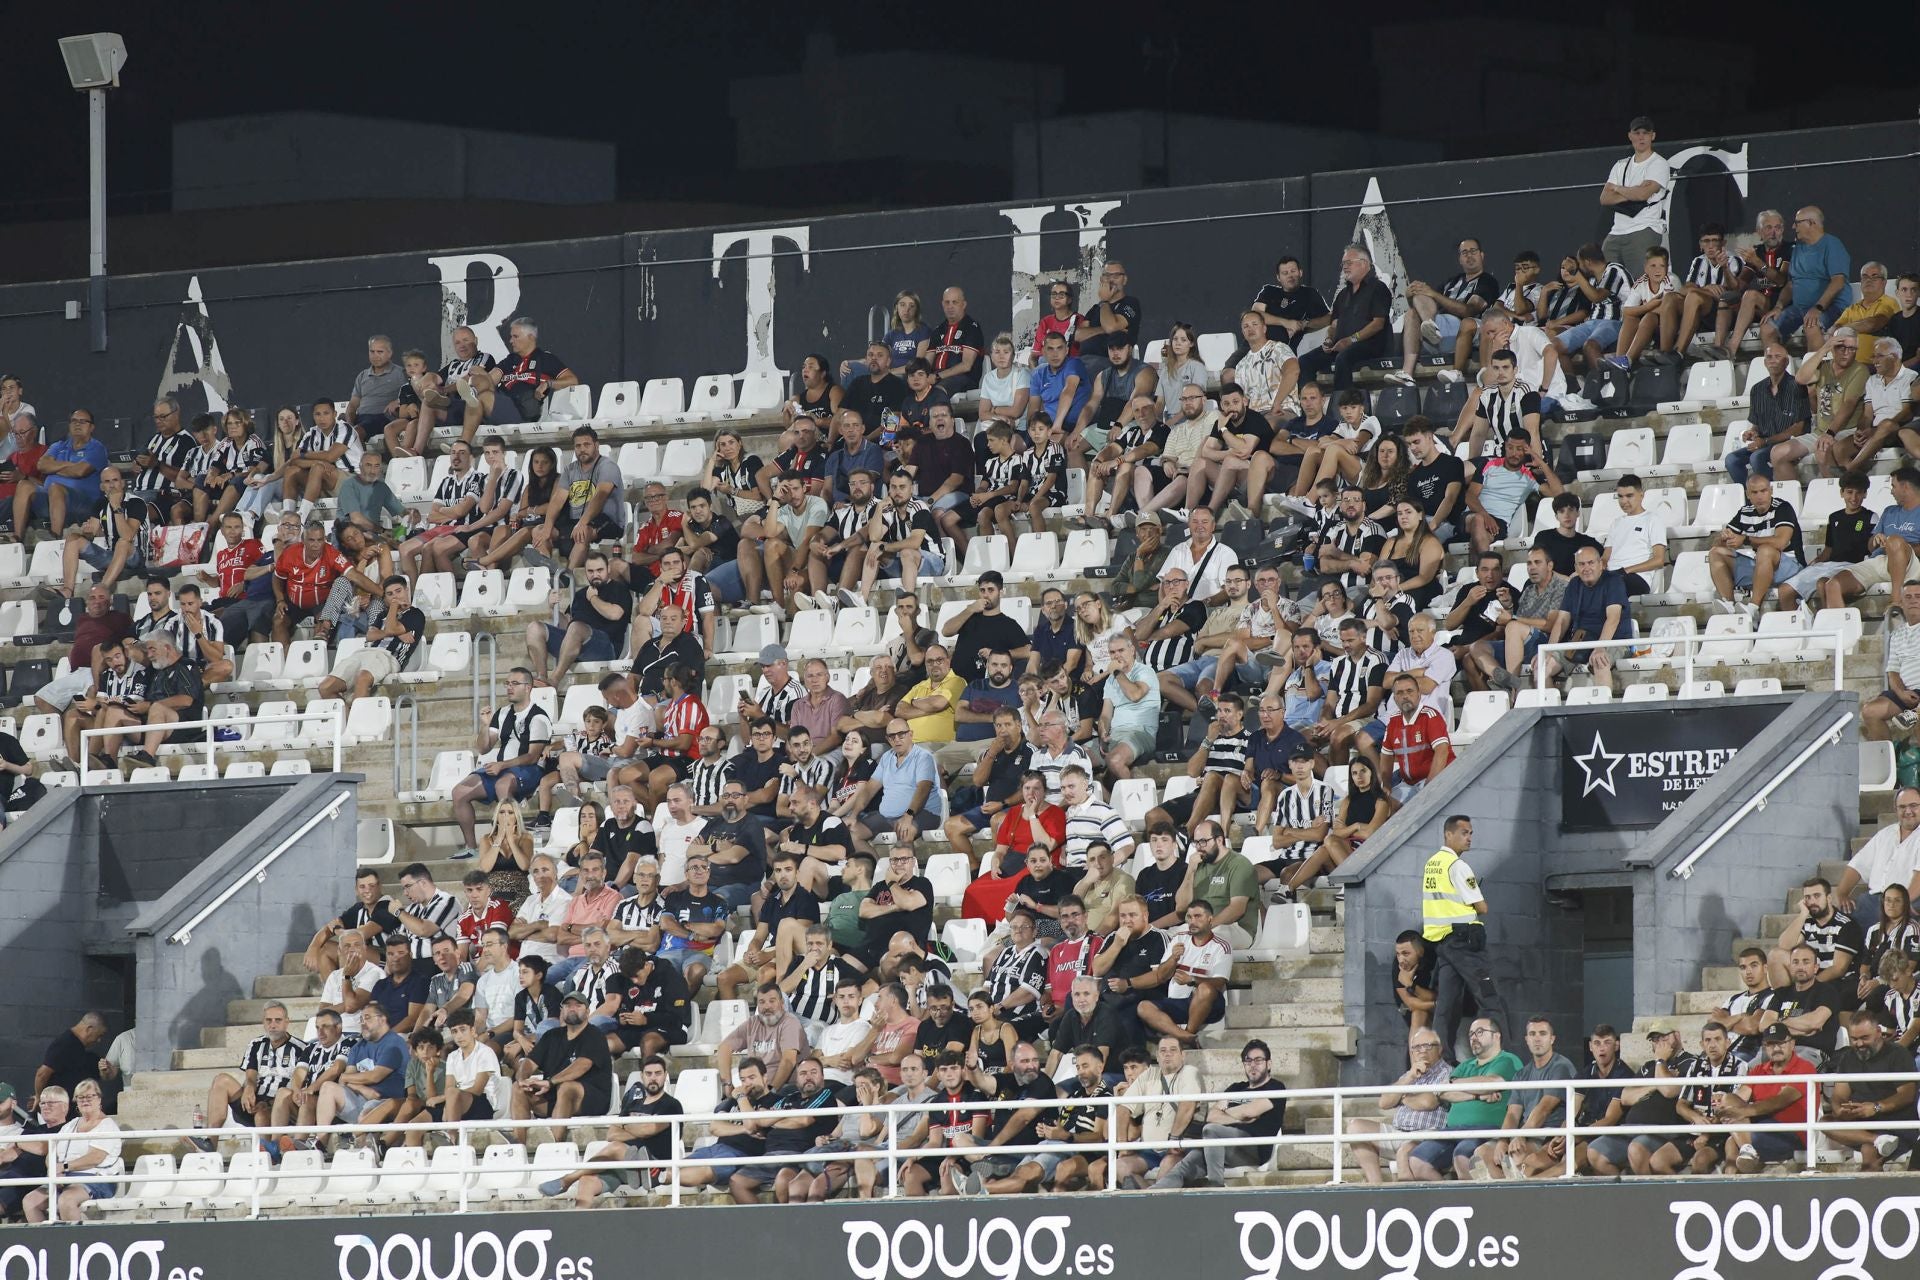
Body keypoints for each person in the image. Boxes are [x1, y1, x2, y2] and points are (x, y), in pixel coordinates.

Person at [1423, 815, 1509, 1059]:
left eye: (1471, 833)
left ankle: (1441, 1061)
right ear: (1448, 835)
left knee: (1445, 1008)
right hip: (1466, 943)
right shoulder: (1458, 866)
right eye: (1464, 833)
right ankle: (1504, 1058)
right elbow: (1482, 908)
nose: (1469, 838)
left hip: (1445, 944)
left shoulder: (1432, 863)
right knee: (1491, 999)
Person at [450, 668, 552, 859]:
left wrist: (502, 765)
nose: (509, 688)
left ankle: (510, 845)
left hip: (529, 770)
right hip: (503, 769)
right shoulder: (503, 713)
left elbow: (532, 756)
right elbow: (484, 748)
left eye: (515, 684)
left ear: (528, 688)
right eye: (507, 683)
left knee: (502, 784)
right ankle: (471, 848)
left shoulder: (538, 717)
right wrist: (485, 725)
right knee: (459, 792)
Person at [1157, 1038, 1284, 1188]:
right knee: (1184, 1165)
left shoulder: (1275, 1087)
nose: (1252, 1065)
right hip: (1223, 1146)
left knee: (1211, 1130)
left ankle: (1216, 1186)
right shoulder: (1236, 1088)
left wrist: (1228, 1113)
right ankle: (1149, 1195)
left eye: (1258, 1060)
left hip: (1252, 1149)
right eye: (1248, 1061)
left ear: (1268, 1064)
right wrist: (1241, 1119)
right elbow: (1212, 1116)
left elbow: (1250, 1110)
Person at [1390, 238, 1498, 384]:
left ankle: (1429, 325)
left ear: (1482, 255)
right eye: (1464, 252)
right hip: (1437, 336)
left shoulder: (1487, 281)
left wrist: (1433, 294)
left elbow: (1469, 311)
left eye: (1473, 251)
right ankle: (1407, 373)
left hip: (1463, 333)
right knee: (1412, 312)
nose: (1469, 255)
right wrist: (1411, 296)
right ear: (1460, 259)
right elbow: (1426, 305)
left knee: (1428, 296)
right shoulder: (1451, 282)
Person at [1823, 1007, 1919, 1170]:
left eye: (1864, 1038)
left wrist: (1876, 1108)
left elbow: (1907, 1095)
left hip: (1895, 1122)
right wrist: (1840, 1109)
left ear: (1878, 1032)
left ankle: (1870, 1193)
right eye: (1854, 1039)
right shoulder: (1848, 1057)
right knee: (1825, 1122)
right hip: (1862, 1124)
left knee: (1868, 1151)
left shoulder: (1898, 1053)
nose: (1859, 1044)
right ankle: (1878, 1139)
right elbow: (1839, 1094)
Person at [1349, 1030, 1451, 1183]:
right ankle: (1375, 1185)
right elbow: (1384, 1102)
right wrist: (1409, 1077)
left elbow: (1428, 1102)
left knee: (1404, 1152)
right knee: (1355, 1127)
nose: (1422, 1051)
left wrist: (1402, 1097)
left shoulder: (1447, 1073)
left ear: (1440, 1049)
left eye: (1428, 1046)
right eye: (1417, 1047)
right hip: (1399, 1132)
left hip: (1427, 1135)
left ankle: (1405, 1199)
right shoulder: (1409, 1074)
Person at [19, 1080, 120, 1224]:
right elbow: (52, 1152)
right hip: (65, 1177)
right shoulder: (71, 1125)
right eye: (80, 1097)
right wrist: (53, 1170)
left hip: (96, 1178)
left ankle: (75, 1242)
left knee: (66, 1200)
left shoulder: (107, 1126)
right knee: (30, 1201)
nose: (85, 1101)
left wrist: (64, 1167)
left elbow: (95, 1158)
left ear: (99, 1098)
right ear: (76, 1101)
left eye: (89, 1097)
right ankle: (45, 1241)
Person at [1719, 1023, 1816, 1173]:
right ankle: (1733, 1181)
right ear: (1764, 1047)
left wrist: (1745, 1111)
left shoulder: (1805, 1068)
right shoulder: (1758, 1070)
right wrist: (1722, 1110)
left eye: (1781, 1043)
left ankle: (1744, 1167)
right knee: (1728, 1103)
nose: (1776, 1048)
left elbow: (1780, 1100)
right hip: (1761, 1128)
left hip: (1792, 1133)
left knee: (1736, 1140)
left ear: (1792, 1043)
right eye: (1771, 1044)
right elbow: (1738, 1098)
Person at [1296, 244, 1393, 390]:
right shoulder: (1343, 294)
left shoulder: (1378, 288)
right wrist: (1328, 340)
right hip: (1341, 344)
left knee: (1343, 358)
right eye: (1343, 263)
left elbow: (1378, 323)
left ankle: (1341, 403)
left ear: (1364, 264)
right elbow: (1334, 325)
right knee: (1304, 361)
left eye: (1349, 263)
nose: (1344, 267)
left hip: (1369, 344)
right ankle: (1310, 402)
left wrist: (1352, 339)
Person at [1708, 473, 1804, 621]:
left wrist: (1745, 539)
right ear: (1748, 494)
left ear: (1771, 491)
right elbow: (1719, 542)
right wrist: (1723, 538)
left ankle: (1753, 608)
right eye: (1754, 492)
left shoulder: (1783, 508)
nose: (1760, 496)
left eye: (1763, 491)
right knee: (1716, 553)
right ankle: (1729, 604)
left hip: (1789, 566)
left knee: (1765, 550)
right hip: (1762, 565)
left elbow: (1781, 542)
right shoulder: (1744, 512)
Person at [1761, 207, 1852, 348]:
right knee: (1767, 329)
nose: (1793, 226)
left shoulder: (1833, 245)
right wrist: (1779, 306)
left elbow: (1838, 282)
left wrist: (1818, 307)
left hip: (1831, 307)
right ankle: (1780, 368)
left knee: (1811, 325)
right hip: (1800, 309)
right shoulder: (1798, 248)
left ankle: (1814, 369)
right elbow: (1791, 284)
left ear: (1811, 223)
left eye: (1797, 222)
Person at [1598, 116, 1670, 270]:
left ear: (1653, 136)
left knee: (1641, 281)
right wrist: (1635, 190)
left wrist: (1617, 188)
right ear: (1630, 136)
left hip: (1645, 229)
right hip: (1616, 231)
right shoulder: (1620, 165)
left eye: (1645, 132)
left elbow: (1643, 195)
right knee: (1607, 280)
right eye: (1637, 133)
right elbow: (1604, 198)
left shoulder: (1659, 163)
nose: (1641, 137)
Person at [1768, 875, 1864, 988]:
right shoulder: (1807, 922)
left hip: (1838, 983)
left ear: (1828, 898)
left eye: (1817, 896)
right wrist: (1803, 914)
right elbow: (1784, 945)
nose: (1812, 901)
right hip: (1811, 976)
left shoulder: (1847, 924)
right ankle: (1783, 1001)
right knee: (1775, 955)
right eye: (1807, 897)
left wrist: (1810, 986)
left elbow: (1839, 968)